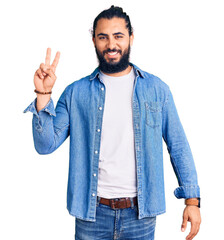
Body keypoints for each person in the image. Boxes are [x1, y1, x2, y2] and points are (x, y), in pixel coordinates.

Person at [24, 5, 201, 240]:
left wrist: (192, 201)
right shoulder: (75, 93)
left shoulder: (157, 89)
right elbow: (45, 145)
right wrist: (43, 94)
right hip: (92, 215)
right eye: (103, 37)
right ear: (94, 41)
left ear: (131, 38)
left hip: (141, 215)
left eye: (118, 36)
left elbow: (178, 146)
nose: (111, 45)